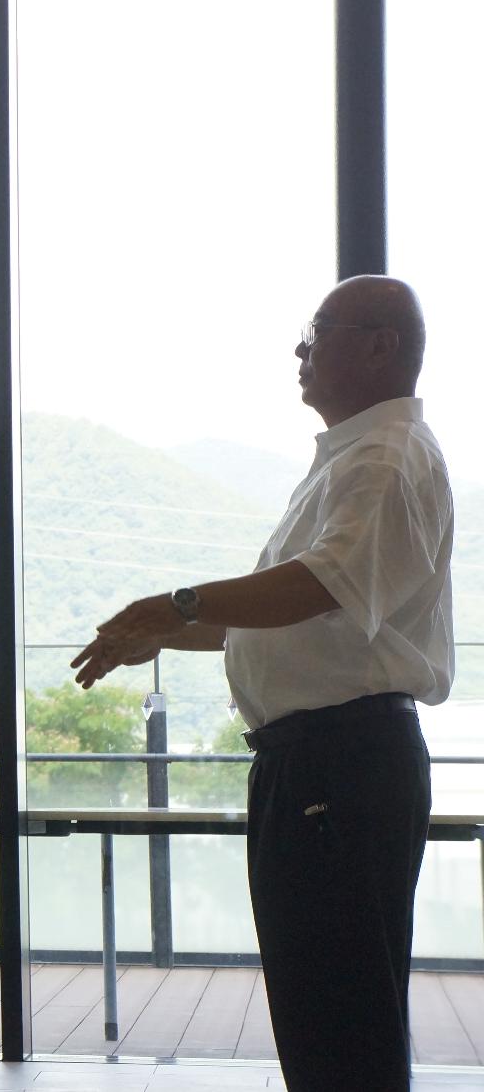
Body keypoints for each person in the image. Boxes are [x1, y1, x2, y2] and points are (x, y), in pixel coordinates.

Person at [71, 275, 452, 1092]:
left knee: (341, 1018)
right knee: (320, 1015)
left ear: (381, 345)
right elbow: (300, 617)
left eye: (317, 330)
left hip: (343, 763)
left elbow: (315, 585)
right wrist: (169, 633)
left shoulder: (384, 459)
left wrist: (177, 601)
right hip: (315, 764)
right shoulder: (350, 459)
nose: (300, 349)